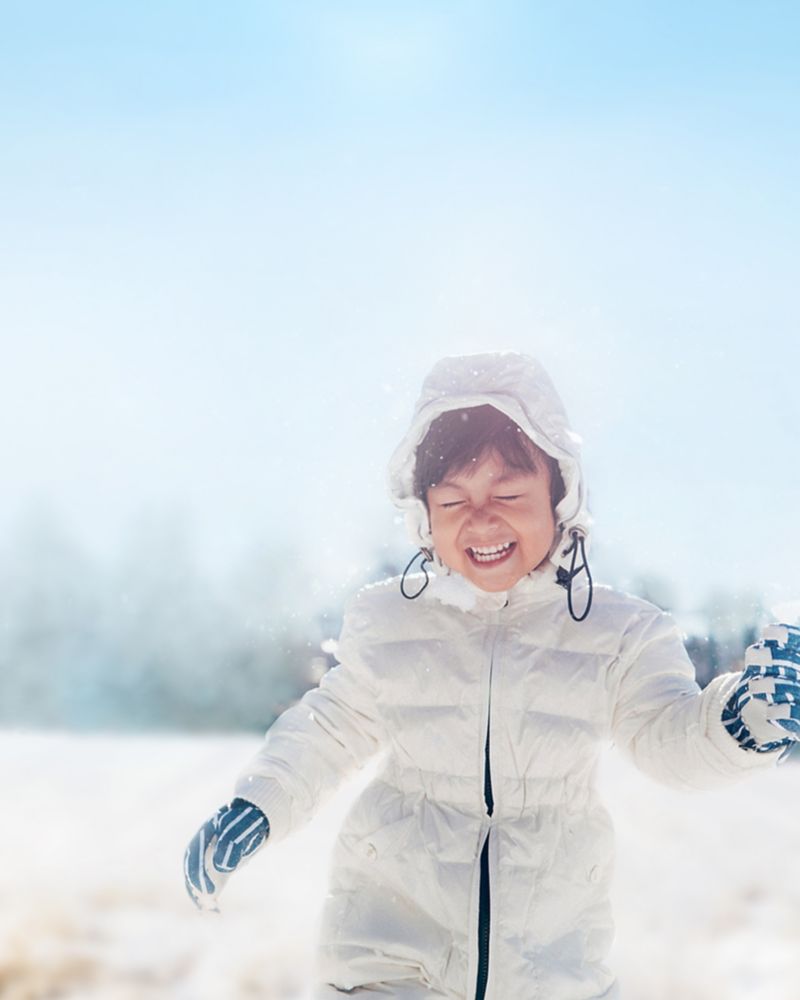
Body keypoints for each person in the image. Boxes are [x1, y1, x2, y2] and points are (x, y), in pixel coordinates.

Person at [184, 352, 800, 1000]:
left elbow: (668, 738)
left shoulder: (618, 632)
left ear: (560, 497)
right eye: (453, 500)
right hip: (392, 958)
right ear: (424, 515)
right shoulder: (390, 621)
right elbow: (329, 728)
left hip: (551, 969)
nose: (480, 518)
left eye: (508, 495)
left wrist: (739, 724)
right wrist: (260, 802)